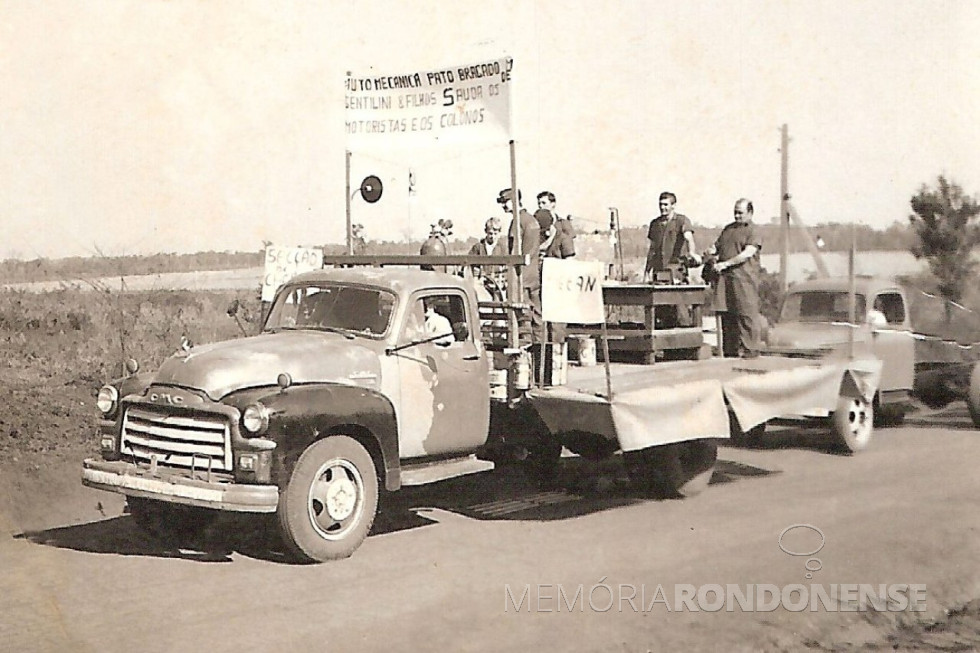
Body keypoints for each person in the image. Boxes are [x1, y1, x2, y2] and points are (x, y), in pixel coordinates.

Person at [709, 198, 762, 358]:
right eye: (735, 212)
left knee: (746, 313)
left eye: (740, 213)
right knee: (728, 315)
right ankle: (730, 351)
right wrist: (710, 251)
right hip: (726, 280)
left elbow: (747, 253)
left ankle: (751, 351)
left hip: (744, 279)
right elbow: (717, 246)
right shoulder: (728, 229)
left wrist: (725, 264)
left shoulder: (754, 231)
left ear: (750, 213)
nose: (737, 216)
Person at [498, 188, 541, 327]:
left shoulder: (518, 222)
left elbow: (515, 252)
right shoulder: (531, 220)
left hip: (521, 276)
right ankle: (540, 345)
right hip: (533, 274)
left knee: (522, 314)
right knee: (536, 313)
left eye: (506, 202)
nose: (504, 206)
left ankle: (526, 344)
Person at [644, 191, 700, 279]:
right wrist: (647, 271)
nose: (662, 207)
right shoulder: (655, 224)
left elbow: (688, 238)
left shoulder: (682, 220)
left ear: (673, 205)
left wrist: (692, 253)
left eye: (666, 205)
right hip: (659, 270)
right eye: (661, 204)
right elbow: (652, 249)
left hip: (676, 270)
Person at [535, 191, 575, 258]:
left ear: (553, 204)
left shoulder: (563, 224)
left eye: (543, 203)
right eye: (539, 203)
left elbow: (569, 250)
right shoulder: (536, 223)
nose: (540, 206)